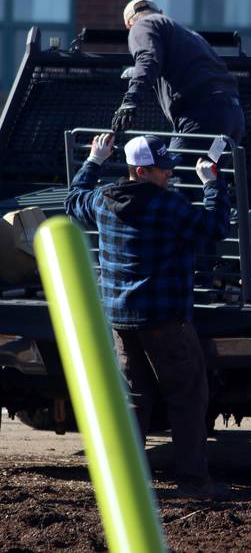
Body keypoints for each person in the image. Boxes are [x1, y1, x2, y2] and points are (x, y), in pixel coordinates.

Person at [64, 133, 230, 497]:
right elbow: (215, 229)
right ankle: (193, 483)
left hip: (120, 320)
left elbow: (73, 200)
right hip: (166, 320)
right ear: (141, 170)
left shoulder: (103, 200)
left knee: (131, 402)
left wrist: (94, 160)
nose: (169, 174)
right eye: (161, 169)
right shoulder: (168, 207)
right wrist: (213, 185)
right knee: (187, 399)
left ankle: (127, 485)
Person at [112, 0, 245, 153]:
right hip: (232, 120)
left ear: (128, 24)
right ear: (161, 12)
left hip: (202, 118)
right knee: (208, 171)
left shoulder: (143, 25)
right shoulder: (191, 35)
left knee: (174, 174)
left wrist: (130, 101)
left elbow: (148, 60)